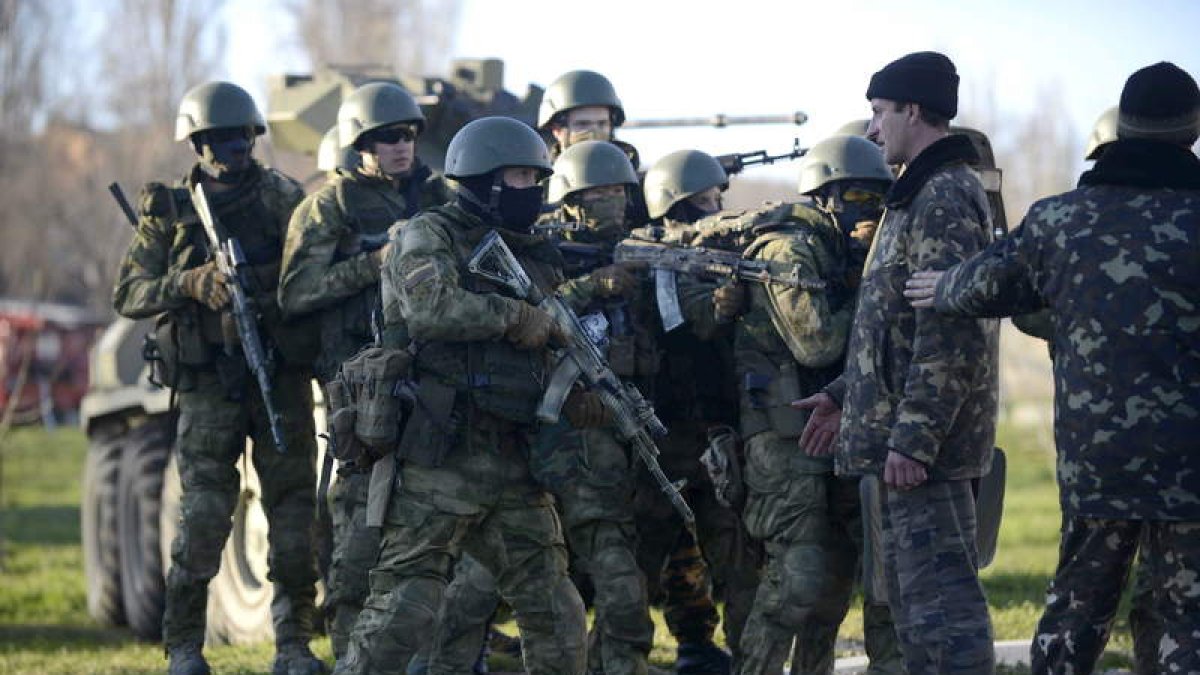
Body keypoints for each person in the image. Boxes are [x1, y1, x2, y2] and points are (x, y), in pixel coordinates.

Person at [904, 61, 1200, 675]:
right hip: (1191, 469)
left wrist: (943, 284)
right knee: (1187, 622)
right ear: (1191, 133)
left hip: (1097, 465)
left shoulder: (1060, 221)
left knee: (1075, 615)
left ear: (1122, 128)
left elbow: (987, 285)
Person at [333, 116, 589, 675]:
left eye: (537, 178)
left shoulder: (535, 252)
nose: (534, 190)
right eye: (521, 177)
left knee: (555, 609)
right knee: (405, 606)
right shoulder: (430, 233)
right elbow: (430, 309)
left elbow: (552, 339)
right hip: (441, 453)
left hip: (514, 459)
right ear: (485, 181)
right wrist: (512, 316)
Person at [796, 51, 998, 673]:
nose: (872, 128)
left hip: (923, 457)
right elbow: (894, 331)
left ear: (914, 110)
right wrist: (843, 393)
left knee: (944, 614)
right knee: (914, 613)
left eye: (880, 111)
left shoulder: (943, 197)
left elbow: (952, 336)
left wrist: (914, 440)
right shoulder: (916, 194)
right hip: (902, 447)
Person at [113, 81, 324, 675]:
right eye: (218, 139)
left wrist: (262, 295)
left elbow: (308, 280)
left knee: (293, 521)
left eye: (240, 138)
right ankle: (184, 646)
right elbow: (128, 294)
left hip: (277, 378)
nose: (232, 149)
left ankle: (293, 645)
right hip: (208, 388)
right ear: (197, 143)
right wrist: (189, 283)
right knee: (203, 521)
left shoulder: (283, 197)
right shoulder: (170, 211)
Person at [429, 139, 657, 675]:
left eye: (620, 191)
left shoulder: (635, 250)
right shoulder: (529, 248)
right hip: (523, 437)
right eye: (599, 192)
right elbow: (528, 313)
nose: (613, 201)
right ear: (572, 199)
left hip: (592, 438)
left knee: (606, 576)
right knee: (483, 577)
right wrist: (589, 286)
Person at [278, 82, 449, 662]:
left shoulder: (438, 196)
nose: (401, 146)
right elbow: (296, 291)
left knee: (437, 524)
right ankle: (351, 653)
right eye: (386, 137)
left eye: (408, 135)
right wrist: (372, 264)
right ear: (361, 144)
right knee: (357, 533)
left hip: (434, 381)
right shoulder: (330, 206)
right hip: (360, 388)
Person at [724, 135, 901, 675]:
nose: (869, 213)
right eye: (859, 198)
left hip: (839, 429)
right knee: (796, 578)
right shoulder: (787, 250)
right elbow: (817, 344)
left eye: (879, 200)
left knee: (841, 580)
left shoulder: (847, 252)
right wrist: (872, 287)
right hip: (782, 435)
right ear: (827, 196)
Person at [635, 149, 764, 673]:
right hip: (662, 436)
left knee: (736, 555)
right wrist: (716, 305)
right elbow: (679, 324)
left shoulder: (722, 255)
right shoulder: (649, 257)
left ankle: (748, 658)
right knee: (642, 559)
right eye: (706, 201)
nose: (717, 210)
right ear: (676, 204)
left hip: (715, 430)